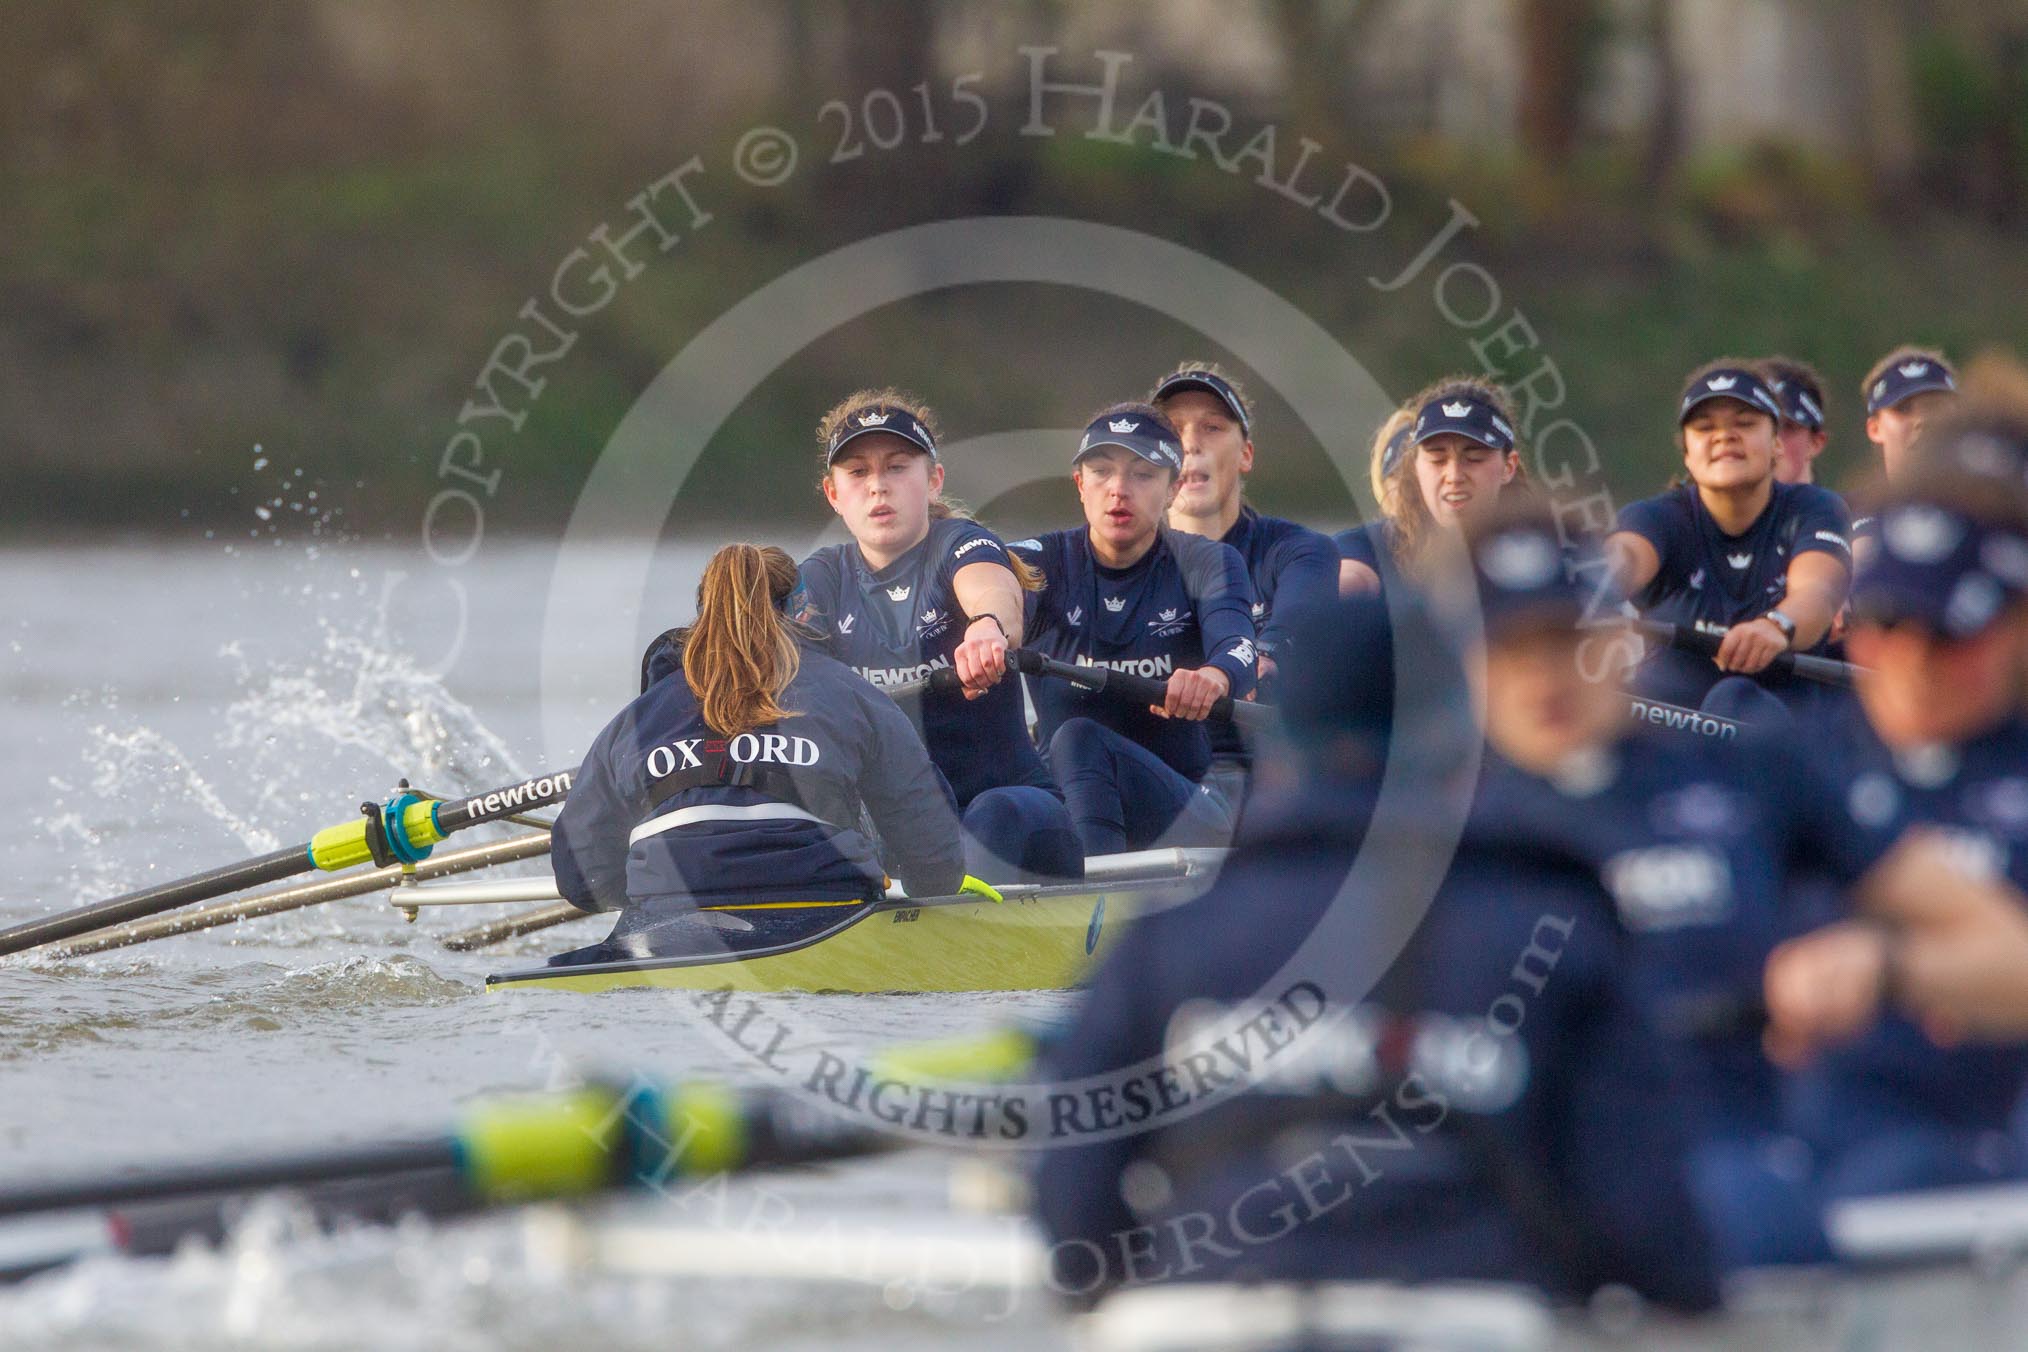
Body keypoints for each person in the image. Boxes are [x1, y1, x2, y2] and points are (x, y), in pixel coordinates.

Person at [1032, 589, 1722, 1312]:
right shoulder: (1554, 924)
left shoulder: (1171, 933)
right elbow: (1655, 1238)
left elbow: (1073, 1208)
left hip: (1216, 1310)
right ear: (1456, 744)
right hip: (1473, 1306)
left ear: (1281, 752)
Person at [1757, 450, 2028, 1203]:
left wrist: (1894, 972)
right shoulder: (1793, 768)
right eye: (1886, 626)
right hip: (1823, 1148)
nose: (1912, 662)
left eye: (1949, 635)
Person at [549, 544, 966, 956]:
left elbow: (581, 880)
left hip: (668, 919)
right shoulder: (856, 697)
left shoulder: (636, 719)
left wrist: (666, 887)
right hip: (827, 913)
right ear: (802, 613)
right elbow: (936, 863)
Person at [793, 390, 1081, 881]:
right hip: (910, 830)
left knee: (986, 821)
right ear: (834, 495)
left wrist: (987, 629)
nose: (878, 487)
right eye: (858, 473)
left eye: (898, 467)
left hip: (1014, 816)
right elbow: (782, 668)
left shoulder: (960, 543)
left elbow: (994, 590)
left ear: (933, 480)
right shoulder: (822, 577)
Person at [1011, 404, 1258, 856]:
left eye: (1143, 474)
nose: (1119, 490)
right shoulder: (1037, 563)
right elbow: (981, 578)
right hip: (1066, 799)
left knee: (1079, 737)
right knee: (998, 810)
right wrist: (987, 628)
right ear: (1080, 484)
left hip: (1184, 809)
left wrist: (1212, 678)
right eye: (1102, 472)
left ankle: (1092, 903)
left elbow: (1238, 646)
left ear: (1174, 488)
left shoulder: (1208, 561)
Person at [1608, 360, 1852, 721]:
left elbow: (1817, 591)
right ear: (1687, 456)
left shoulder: (1815, 509)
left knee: (1734, 696)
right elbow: (1622, 559)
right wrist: (1587, 588)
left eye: (1745, 424)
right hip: (1668, 734)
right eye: (1705, 427)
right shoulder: (1656, 518)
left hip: (1781, 731)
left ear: (1776, 445)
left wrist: (1776, 626)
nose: (1724, 436)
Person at [1152, 363, 1339, 762]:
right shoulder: (1108, 558)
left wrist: (1261, 657)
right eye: (1174, 429)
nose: (1190, 444)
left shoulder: (1298, 551)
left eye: (1212, 428)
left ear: (1246, 455)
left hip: (1259, 764)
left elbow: (1297, 618)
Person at [1335, 378, 1526, 596]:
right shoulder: (1371, 549)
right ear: (1414, 466)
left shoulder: (1542, 551)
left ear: (1509, 467)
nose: (1453, 476)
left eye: (1474, 458)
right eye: (1437, 460)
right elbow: (1348, 577)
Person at [1852, 347, 1958, 563]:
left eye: (1935, 407)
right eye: (1904, 409)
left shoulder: (1992, 513)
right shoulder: (1843, 514)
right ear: (1875, 429)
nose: (1922, 420)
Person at [1335, 404, 1413, 596]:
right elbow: (1344, 577)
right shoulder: (1364, 546)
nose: (1412, 490)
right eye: (1400, 477)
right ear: (1384, 484)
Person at [1764, 355, 1830, 486]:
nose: (1773, 442)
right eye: (1751, 426)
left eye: (1787, 427)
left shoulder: (1845, 506)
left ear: (1815, 443)